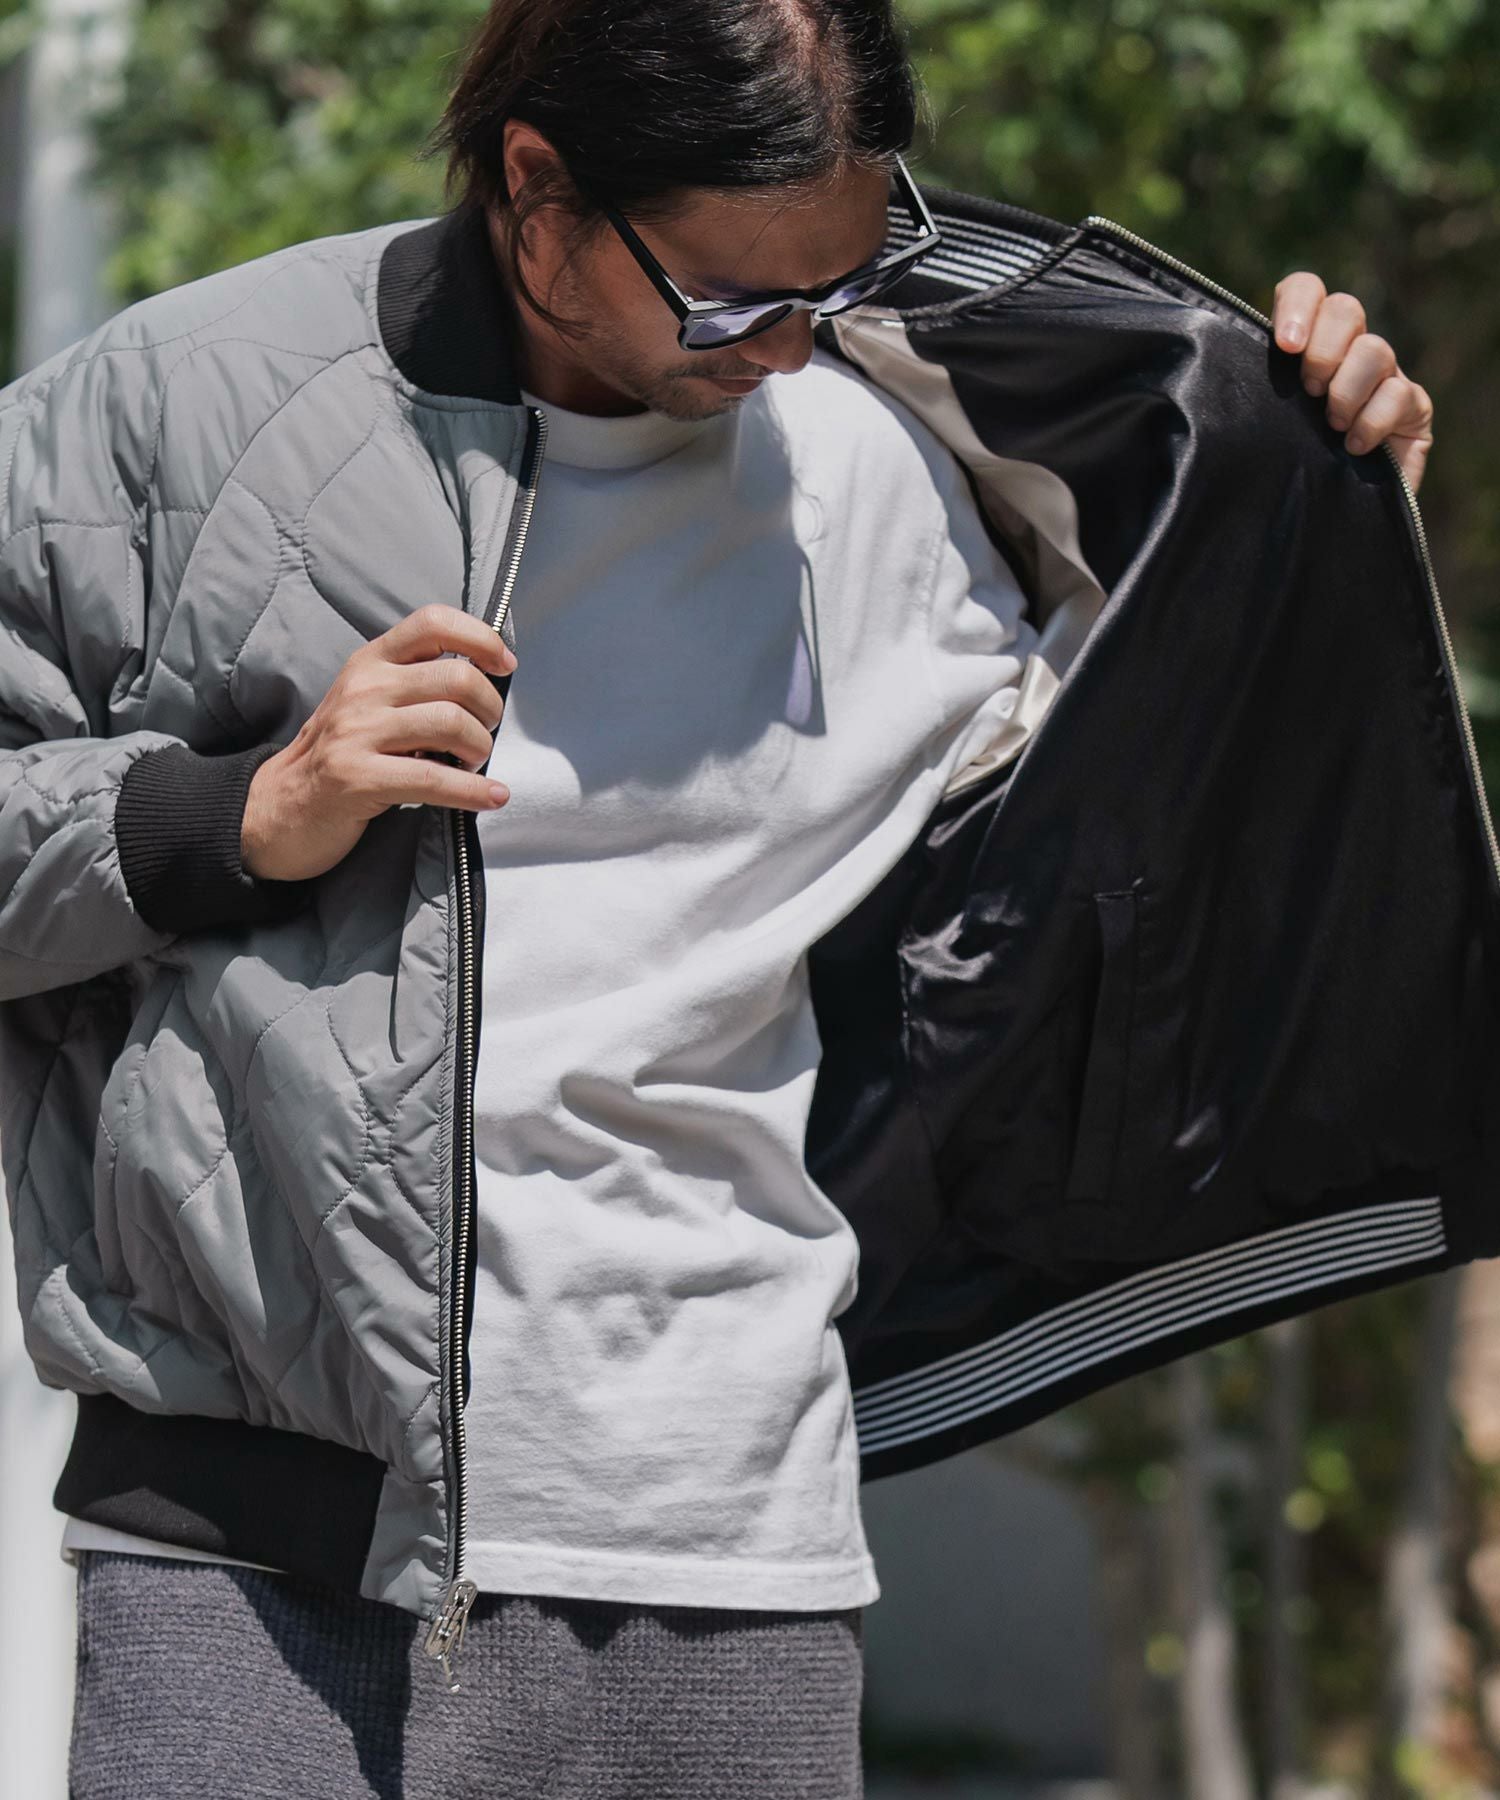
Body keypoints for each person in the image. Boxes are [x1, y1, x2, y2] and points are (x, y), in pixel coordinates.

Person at [0, 1, 1434, 1795]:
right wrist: (242, 814)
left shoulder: (890, 474)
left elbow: (1152, 838)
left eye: (836, 286)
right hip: (259, 1564)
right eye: (729, 301)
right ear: (538, 189)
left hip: (735, 1566)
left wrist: (1322, 509)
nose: (787, 350)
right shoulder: (187, 416)